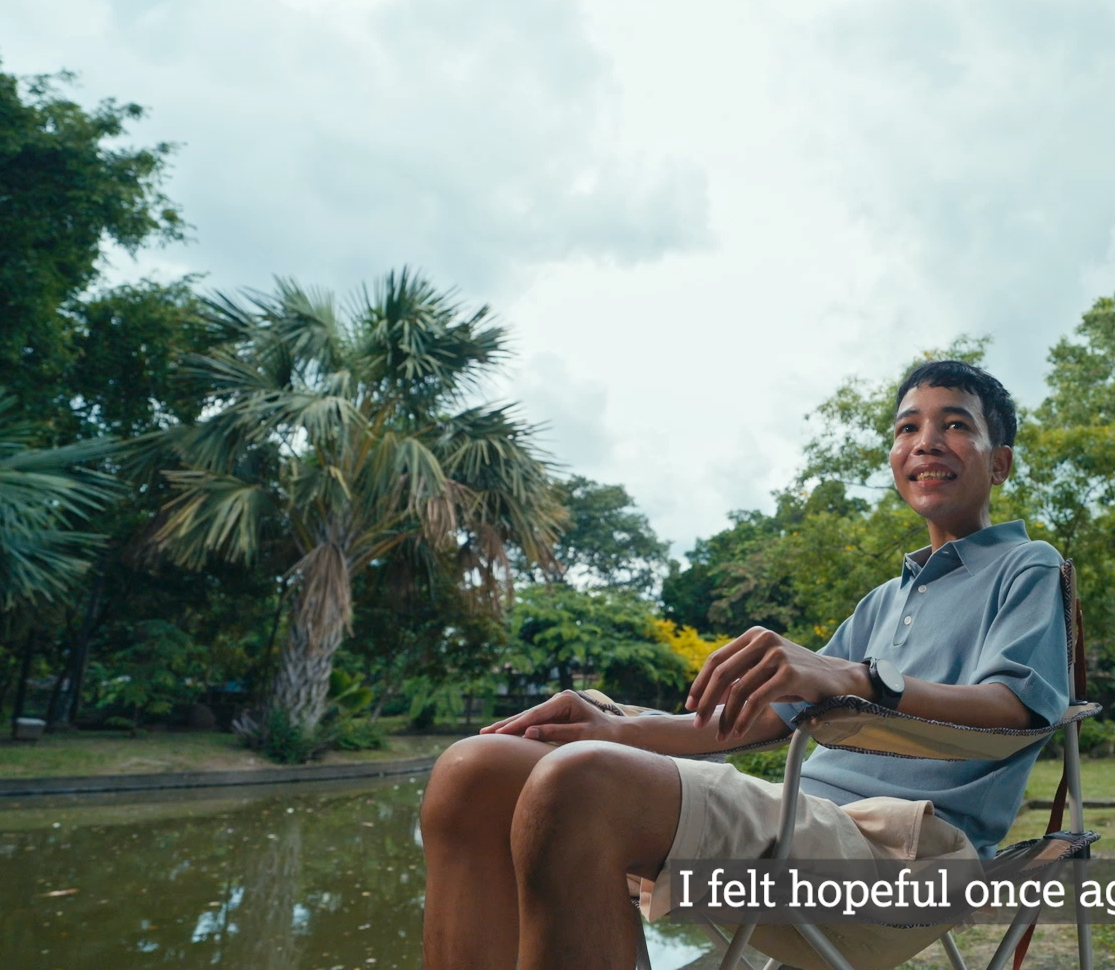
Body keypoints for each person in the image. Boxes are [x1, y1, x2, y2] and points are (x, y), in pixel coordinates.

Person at [420, 360, 1070, 970]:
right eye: (908, 428)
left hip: (903, 850)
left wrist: (860, 679)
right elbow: (763, 719)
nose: (926, 442)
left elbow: (1020, 707)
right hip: (795, 815)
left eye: (954, 424)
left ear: (1000, 462)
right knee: (473, 771)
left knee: (581, 783)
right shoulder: (884, 600)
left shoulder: (1027, 565)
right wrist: (618, 728)